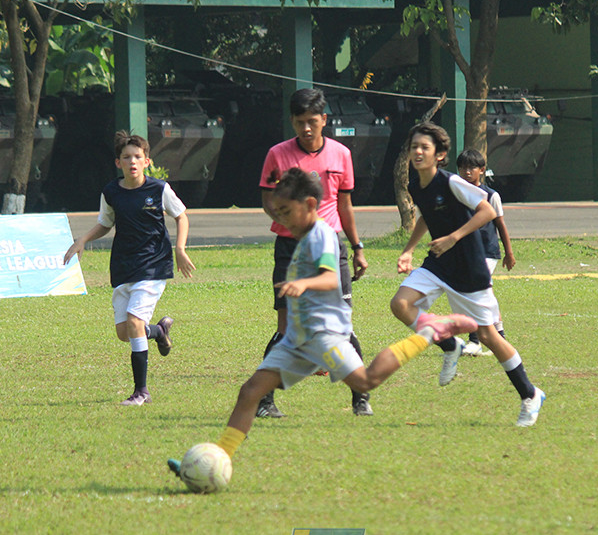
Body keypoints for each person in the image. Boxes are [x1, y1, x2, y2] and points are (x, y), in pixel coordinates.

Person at [167, 168, 477, 479]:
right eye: (279, 213)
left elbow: (330, 277)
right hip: (298, 339)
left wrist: (303, 285)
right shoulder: (304, 237)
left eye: (287, 212)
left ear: (311, 205)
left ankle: (429, 332)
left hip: (325, 334)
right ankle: (212, 462)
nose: (283, 219)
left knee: (365, 381)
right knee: (250, 392)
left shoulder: (323, 236)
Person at [390, 122, 545, 426]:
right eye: (414, 147)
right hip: (438, 264)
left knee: (487, 335)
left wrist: (453, 237)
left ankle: (530, 394)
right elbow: (426, 217)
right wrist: (409, 250)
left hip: (468, 267)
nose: (418, 152)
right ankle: (450, 345)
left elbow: (486, 211)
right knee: (401, 304)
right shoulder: (416, 185)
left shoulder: (452, 183)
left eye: (425, 147)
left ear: (440, 155)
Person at [256, 87, 373, 418]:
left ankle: (360, 397)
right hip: (290, 248)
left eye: (312, 121)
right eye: (299, 122)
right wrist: (289, 223)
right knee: (286, 327)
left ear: (324, 120)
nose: (306, 129)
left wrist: (357, 247)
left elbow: (344, 205)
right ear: (292, 122)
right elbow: (268, 200)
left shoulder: (341, 155)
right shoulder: (277, 155)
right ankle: (265, 401)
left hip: (331, 247)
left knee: (343, 326)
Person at [64, 130, 196, 405]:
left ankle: (141, 392)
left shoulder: (159, 189)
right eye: (127, 157)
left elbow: (181, 216)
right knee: (125, 333)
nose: (132, 161)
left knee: (135, 323)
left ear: (147, 161)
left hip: (153, 266)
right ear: (118, 163)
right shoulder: (111, 192)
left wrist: (180, 249)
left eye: (138, 156)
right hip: (124, 266)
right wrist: (83, 239)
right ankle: (158, 332)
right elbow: (106, 223)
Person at [455, 148, 515, 356]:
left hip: (487, 252)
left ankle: (475, 341)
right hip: (466, 252)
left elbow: (500, 224)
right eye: (462, 168)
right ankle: (500, 337)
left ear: (482, 170)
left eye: (471, 168)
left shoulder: (491, 195)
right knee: (484, 293)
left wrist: (509, 252)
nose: (466, 172)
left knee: (474, 291)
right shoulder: (457, 193)